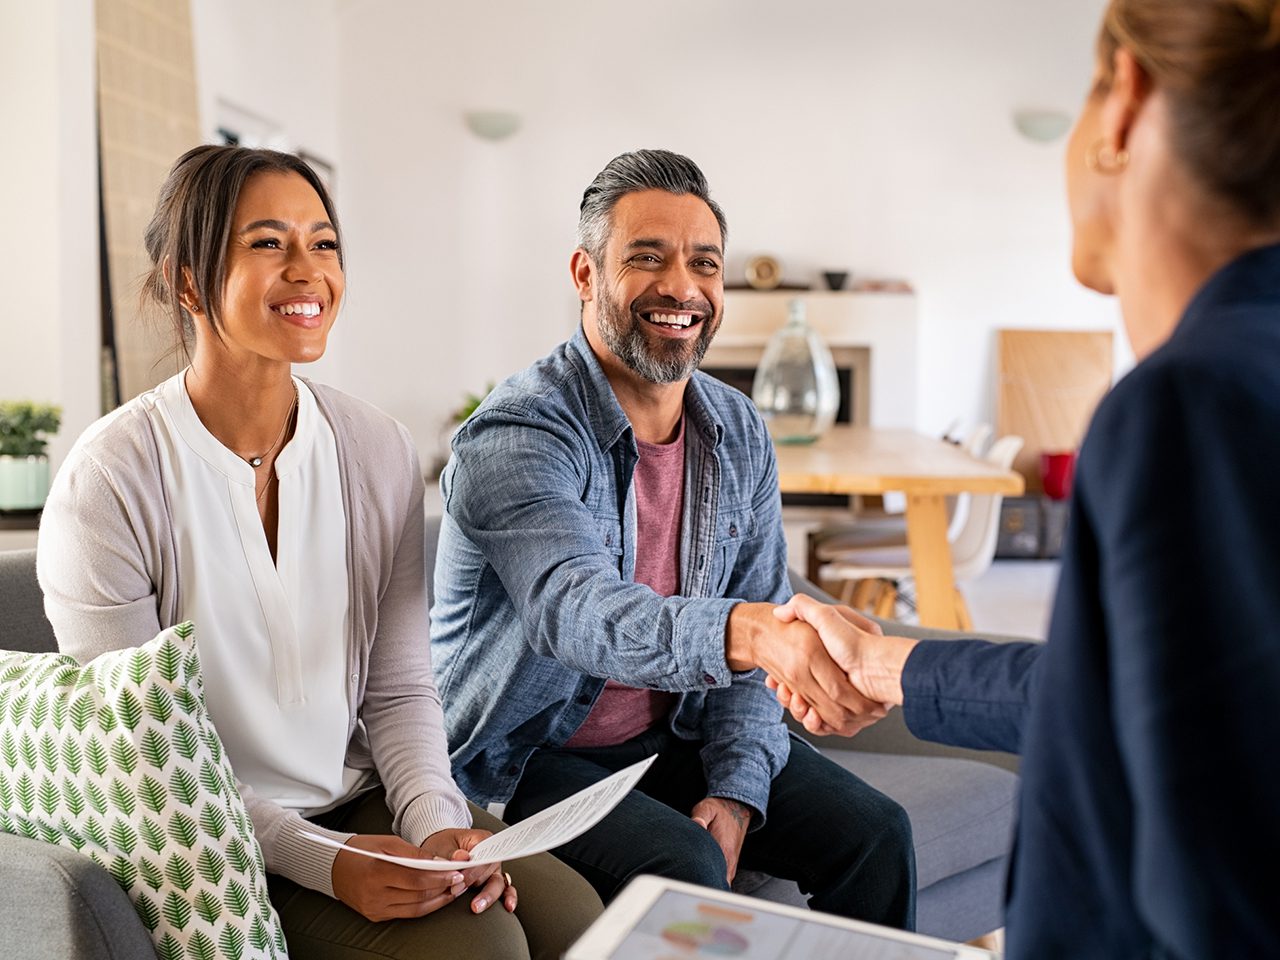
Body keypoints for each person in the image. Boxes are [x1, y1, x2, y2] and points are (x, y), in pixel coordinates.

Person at [768, 1, 1280, 955]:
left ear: (1124, 102)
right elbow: (1140, 698)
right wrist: (891, 665)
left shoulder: (1190, 405)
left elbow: (1220, 889)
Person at [36, 145, 602, 960]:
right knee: (481, 951)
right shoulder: (111, 480)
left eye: (324, 243)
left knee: (576, 917)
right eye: (268, 243)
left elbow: (402, 689)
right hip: (208, 842)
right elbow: (143, 758)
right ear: (189, 282)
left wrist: (440, 825)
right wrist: (325, 864)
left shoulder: (375, 448)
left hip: (356, 797)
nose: (309, 271)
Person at [430, 149, 915, 928]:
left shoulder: (737, 429)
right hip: (524, 759)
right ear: (585, 275)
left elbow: (754, 647)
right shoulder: (518, 434)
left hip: (669, 734)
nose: (681, 288)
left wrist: (734, 790)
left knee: (876, 836)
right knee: (681, 866)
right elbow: (576, 612)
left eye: (704, 264)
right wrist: (750, 631)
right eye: (646, 258)